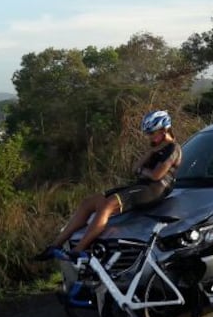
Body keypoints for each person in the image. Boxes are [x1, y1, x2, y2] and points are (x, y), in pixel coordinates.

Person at [34, 110, 182, 261]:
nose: (149, 137)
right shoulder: (155, 148)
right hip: (141, 185)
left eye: (151, 133)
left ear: (164, 130)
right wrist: (149, 155)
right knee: (89, 203)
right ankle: (55, 246)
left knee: (107, 205)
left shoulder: (173, 148)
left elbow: (157, 175)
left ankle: (79, 250)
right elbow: (134, 168)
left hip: (154, 190)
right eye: (147, 133)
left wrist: (142, 170)